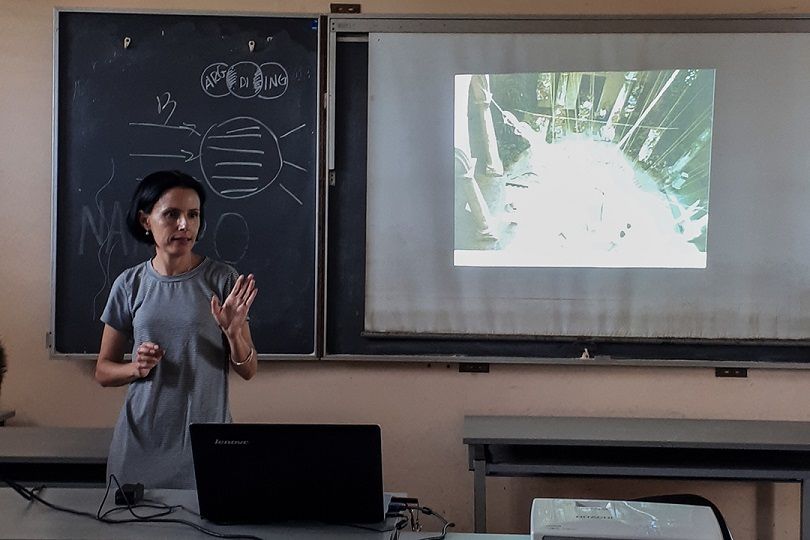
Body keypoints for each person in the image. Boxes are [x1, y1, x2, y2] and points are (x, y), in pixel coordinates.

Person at [94, 170, 257, 489]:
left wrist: (234, 335)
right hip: (139, 449)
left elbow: (249, 370)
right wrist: (135, 368)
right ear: (146, 220)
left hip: (206, 447)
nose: (185, 225)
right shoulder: (130, 285)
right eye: (172, 214)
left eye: (193, 215)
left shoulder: (222, 280)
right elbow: (102, 370)